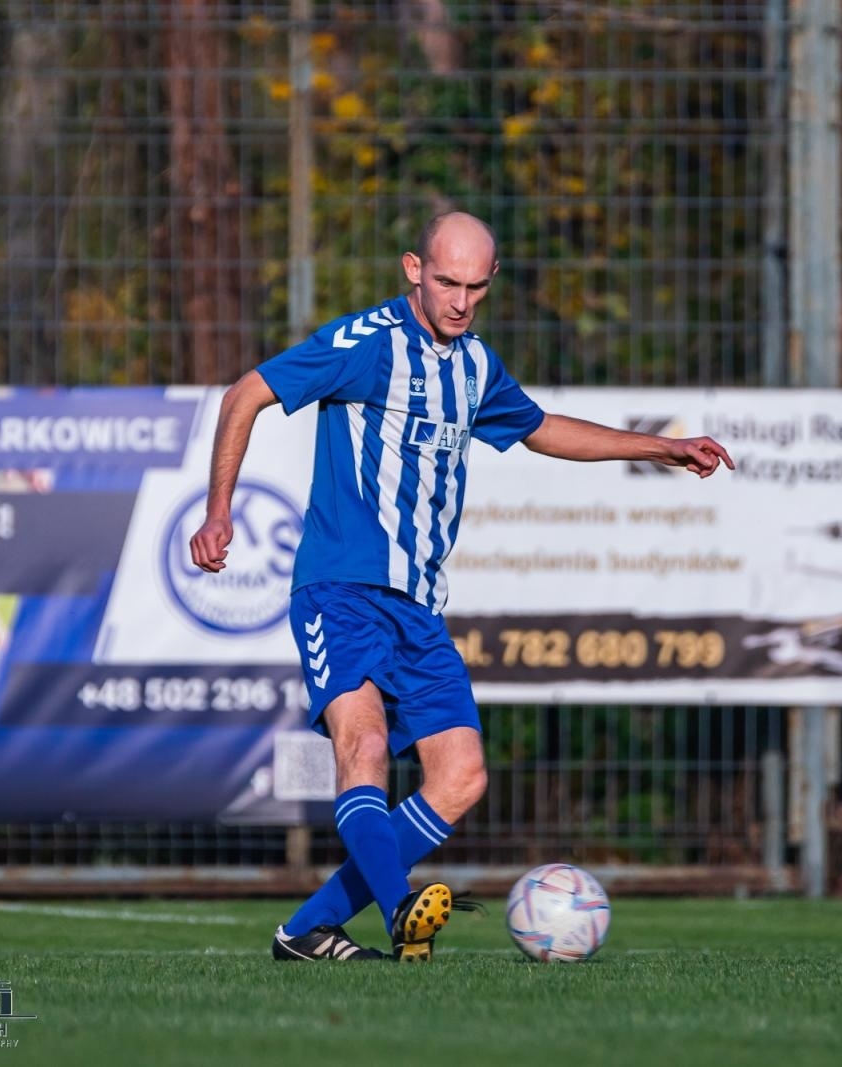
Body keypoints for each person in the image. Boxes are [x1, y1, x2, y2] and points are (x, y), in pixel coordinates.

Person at [189, 211, 734, 963]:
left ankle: (307, 929)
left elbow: (542, 427)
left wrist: (662, 446)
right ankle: (399, 907)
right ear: (414, 267)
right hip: (340, 588)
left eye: (476, 286)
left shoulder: (475, 366)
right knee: (366, 743)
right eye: (447, 281)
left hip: (418, 606)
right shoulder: (367, 344)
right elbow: (244, 394)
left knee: (462, 776)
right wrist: (219, 510)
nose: (460, 301)